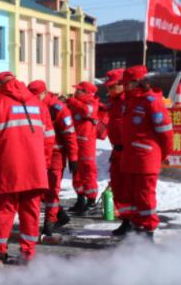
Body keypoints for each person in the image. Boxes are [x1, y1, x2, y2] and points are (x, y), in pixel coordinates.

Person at [0, 72, 54, 262]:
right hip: (35, 168)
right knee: (31, 211)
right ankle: (28, 254)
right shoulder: (38, 104)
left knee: (4, 211)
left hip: (8, 167)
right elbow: (49, 138)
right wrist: (44, 163)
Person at [120, 65, 173, 240]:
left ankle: (148, 229)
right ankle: (137, 227)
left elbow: (165, 133)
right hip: (131, 158)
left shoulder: (152, 101)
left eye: (126, 83)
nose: (123, 86)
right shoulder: (130, 101)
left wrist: (163, 155)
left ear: (136, 83)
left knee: (145, 196)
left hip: (146, 159)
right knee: (133, 195)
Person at [27, 80, 78, 235]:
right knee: (40, 189)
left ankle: (50, 222)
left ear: (44, 93)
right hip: (38, 154)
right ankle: (59, 215)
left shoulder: (59, 109)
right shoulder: (32, 106)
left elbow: (70, 134)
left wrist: (73, 157)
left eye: (37, 96)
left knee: (52, 189)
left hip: (56, 155)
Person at [103, 69, 132, 236]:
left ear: (122, 85)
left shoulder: (129, 101)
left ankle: (134, 222)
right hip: (117, 151)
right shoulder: (114, 102)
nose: (109, 90)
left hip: (129, 152)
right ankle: (126, 220)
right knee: (119, 188)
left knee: (130, 189)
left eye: (112, 86)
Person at [67, 81, 100, 214]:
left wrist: (71, 101)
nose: (75, 92)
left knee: (88, 171)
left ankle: (91, 201)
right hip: (75, 143)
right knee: (76, 172)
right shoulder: (75, 103)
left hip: (86, 145)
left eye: (78, 90)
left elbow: (87, 111)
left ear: (87, 93)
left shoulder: (91, 103)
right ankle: (80, 199)